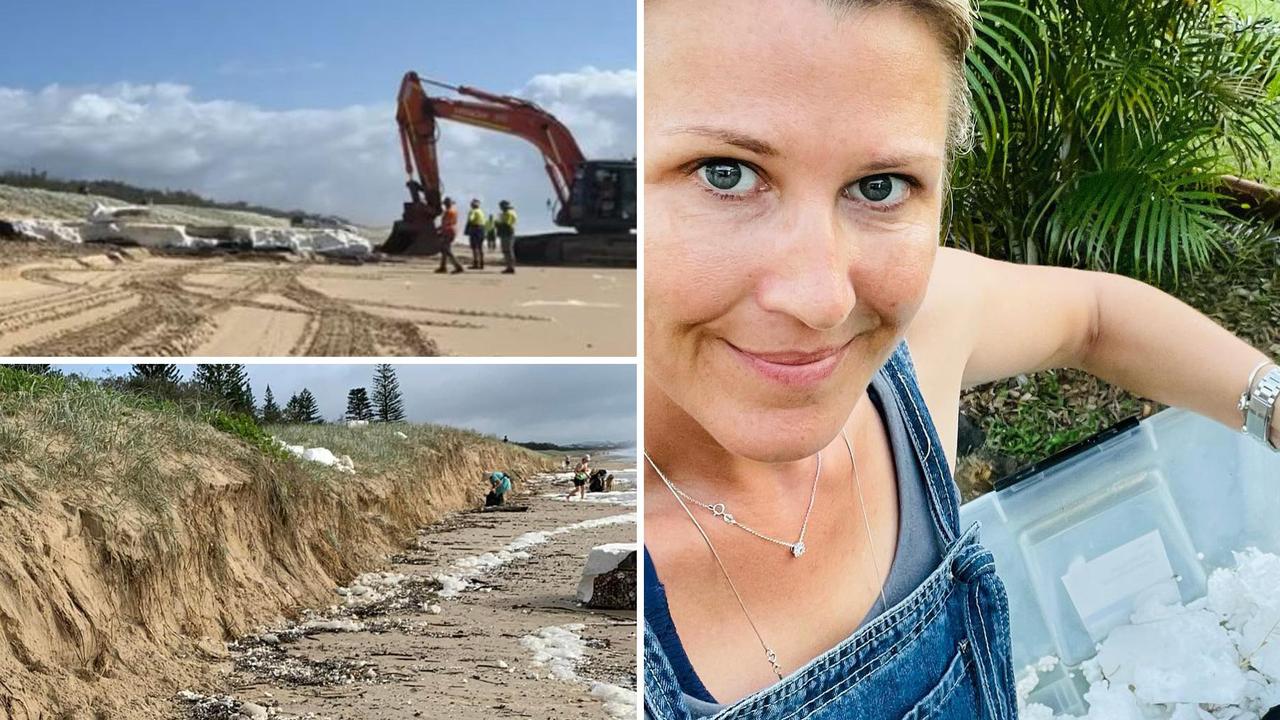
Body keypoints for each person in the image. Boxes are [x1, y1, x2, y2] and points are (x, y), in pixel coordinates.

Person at [642, 1, 1280, 719]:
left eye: (879, 186)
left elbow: (1098, 317)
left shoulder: (919, 342)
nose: (820, 300)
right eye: (724, 174)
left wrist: (1272, 403)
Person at [435, 196, 464, 274]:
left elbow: (445, 223)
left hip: (448, 232)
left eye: (445, 204)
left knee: (446, 250)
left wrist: (439, 230)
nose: (445, 205)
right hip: (452, 230)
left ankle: (458, 267)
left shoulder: (448, 212)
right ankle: (443, 267)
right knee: (444, 250)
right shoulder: (454, 211)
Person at [495, 200, 518, 274]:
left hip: (507, 233)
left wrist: (497, 224)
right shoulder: (511, 212)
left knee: (507, 250)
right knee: (508, 250)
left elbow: (506, 224)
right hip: (508, 232)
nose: (500, 208)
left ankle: (510, 267)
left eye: (501, 206)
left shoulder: (508, 213)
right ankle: (510, 266)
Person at [465, 198, 487, 269]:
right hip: (482, 229)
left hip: (475, 229)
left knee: (474, 247)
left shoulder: (473, 211)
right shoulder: (481, 211)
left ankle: (476, 263)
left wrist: (467, 229)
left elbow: (470, 220)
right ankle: (482, 263)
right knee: (480, 247)